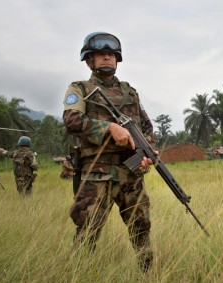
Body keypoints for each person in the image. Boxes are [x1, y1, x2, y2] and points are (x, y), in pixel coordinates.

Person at [62, 32, 155, 272]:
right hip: (97, 173)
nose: (107, 58)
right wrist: (109, 128)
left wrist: (147, 156)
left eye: (111, 55)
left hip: (131, 173)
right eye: (100, 55)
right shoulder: (80, 88)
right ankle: (79, 274)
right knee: (88, 229)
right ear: (89, 61)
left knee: (141, 227)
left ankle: (148, 274)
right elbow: (71, 120)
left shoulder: (130, 92)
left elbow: (146, 127)